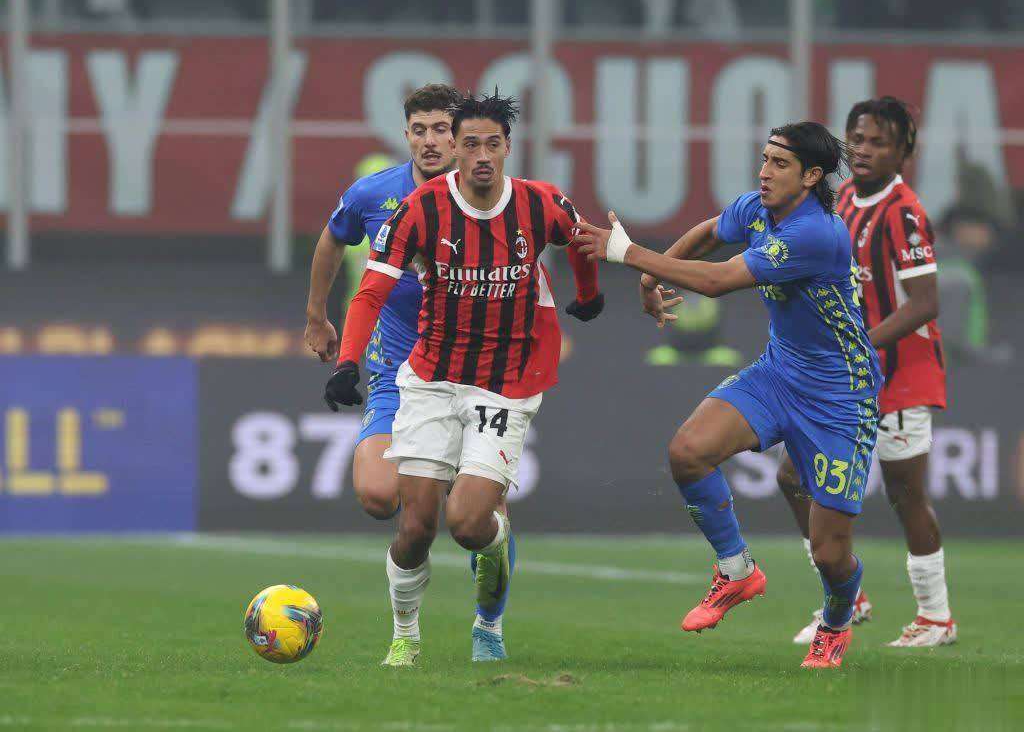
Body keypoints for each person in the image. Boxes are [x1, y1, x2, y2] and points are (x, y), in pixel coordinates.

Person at [576, 121, 880, 669]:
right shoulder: (759, 207)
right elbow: (709, 231)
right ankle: (736, 570)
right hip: (780, 373)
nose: (764, 172)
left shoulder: (816, 233)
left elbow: (717, 281)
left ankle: (836, 623)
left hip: (840, 397)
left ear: (812, 176)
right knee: (688, 452)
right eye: (765, 159)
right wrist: (649, 279)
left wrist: (629, 254)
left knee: (831, 554)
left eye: (780, 164)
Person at [324, 91, 603, 666]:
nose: (480, 155)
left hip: (504, 382)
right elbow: (371, 291)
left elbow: (582, 238)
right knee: (416, 525)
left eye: (490, 144)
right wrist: (348, 362)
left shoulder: (540, 202)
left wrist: (589, 293)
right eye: (470, 143)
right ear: (457, 147)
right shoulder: (419, 209)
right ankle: (405, 636)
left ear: (507, 147)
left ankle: (489, 623)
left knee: (471, 524)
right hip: (431, 378)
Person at [305, 83, 526, 659]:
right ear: (406, 135)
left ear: (461, 138)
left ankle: (488, 627)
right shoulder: (375, 195)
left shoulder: (494, 199)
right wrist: (317, 317)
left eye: (442, 130)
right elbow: (332, 241)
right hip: (398, 369)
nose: (431, 141)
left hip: (477, 373)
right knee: (379, 496)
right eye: (419, 130)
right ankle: (411, 612)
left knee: (479, 519)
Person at [777, 98, 956, 648]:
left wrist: (859, 344)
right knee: (793, 476)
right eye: (857, 138)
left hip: (899, 376)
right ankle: (847, 595)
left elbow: (925, 302)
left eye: (879, 141)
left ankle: (936, 617)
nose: (863, 149)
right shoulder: (842, 200)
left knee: (905, 493)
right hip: (846, 377)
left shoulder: (903, 211)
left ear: (904, 152)